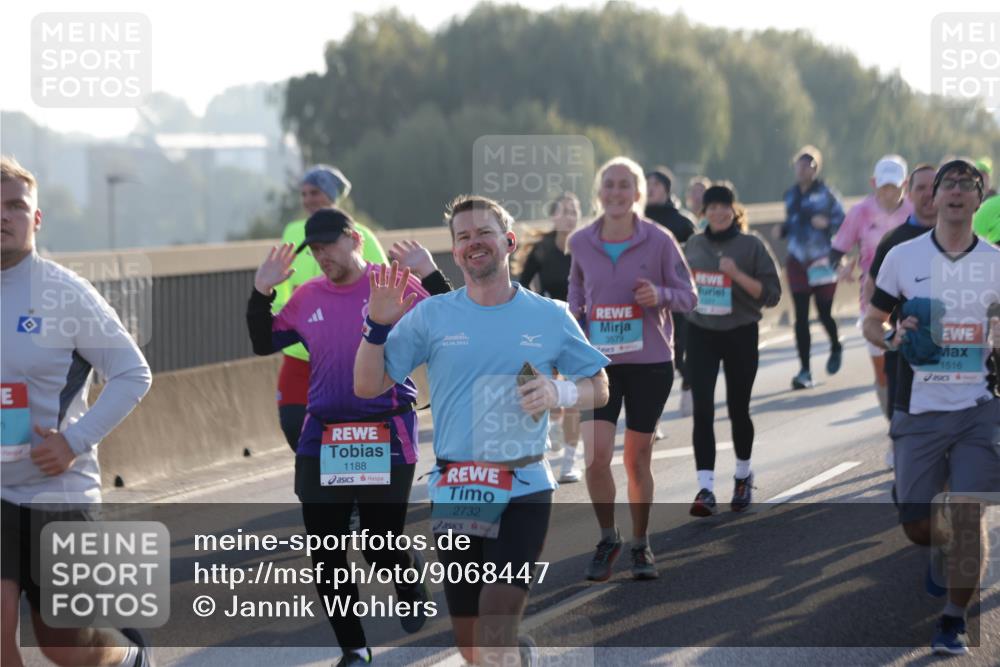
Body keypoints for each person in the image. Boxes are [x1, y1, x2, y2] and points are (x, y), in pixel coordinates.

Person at [354, 195, 610, 666]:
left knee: (494, 622)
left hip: (524, 483)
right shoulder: (432, 316)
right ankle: (519, 655)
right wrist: (375, 326)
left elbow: (600, 385)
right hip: (458, 487)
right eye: (464, 236)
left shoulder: (550, 315)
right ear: (455, 252)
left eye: (484, 233)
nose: (475, 243)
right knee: (473, 645)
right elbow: (368, 384)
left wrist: (561, 394)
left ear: (508, 242)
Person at [246, 208, 447, 666]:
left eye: (328, 245)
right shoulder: (307, 295)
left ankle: (405, 573)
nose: (321, 256)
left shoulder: (390, 283)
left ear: (353, 239)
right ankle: (354, 650)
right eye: (314, 249)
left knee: (378, 544)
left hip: (385, 432)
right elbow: (263, 341)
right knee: (327, 550)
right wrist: (262, 292)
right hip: (324, 437)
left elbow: (452, 321)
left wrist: (431, 275)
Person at [2, 156, 154, 667]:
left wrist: (73, 440)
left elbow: (134, 372)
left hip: (58, 494)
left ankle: (127, 659)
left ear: (36, 219)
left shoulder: (64, 293)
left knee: (64, 645)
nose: (3, 216)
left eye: (15, 206)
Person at [863, 159, 1000, 656]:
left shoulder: (996, 264)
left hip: (979, 407)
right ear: (934, 196)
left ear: (978, 200)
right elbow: (873, 320)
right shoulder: (903, 256)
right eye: (950, 184)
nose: (959, 191)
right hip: (918, 408)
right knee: (919, 526)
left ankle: (952, 619)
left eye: (969, 185)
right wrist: (892, 336)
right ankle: (941, 543)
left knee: (969, 515)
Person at [568, 157, 697, 581]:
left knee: (636, 459)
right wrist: (569, 341)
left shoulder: (659, 240)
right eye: (609, 185)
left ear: (638, 193)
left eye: (625, 185)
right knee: (595, 458)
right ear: (599, 192)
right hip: (597, 364)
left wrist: (658, 294)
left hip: (649, 363)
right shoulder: (582, 242)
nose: (616, 192)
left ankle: (641, 544)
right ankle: (609, 537)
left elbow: (689, 296)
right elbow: (575, 298)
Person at [272, 165, 389, 453]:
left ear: (331, 195)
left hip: (346, 349)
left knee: (349, 427)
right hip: (300, 350)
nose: (309, 200)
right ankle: (314, 479)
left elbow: (385, 286)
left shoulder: (360, 235)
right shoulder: (293, 231)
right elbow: (280, 280)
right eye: (304, 194)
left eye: (315, 192)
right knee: (292, 424)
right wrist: (288, 317)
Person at [682, 185, 781, 516]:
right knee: (703, 410)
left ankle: (742, 476)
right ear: (703, 212)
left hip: (740, 332)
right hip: (701, 333)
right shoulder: (693, 245)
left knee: (739, 408)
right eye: (712, 207)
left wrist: (736, 274)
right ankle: (705, 488)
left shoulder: (751, 245)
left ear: (733, 209)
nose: (718, 212)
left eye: (724, 206)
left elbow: (771, 295)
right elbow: (680, 286)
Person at [829, 155, 914, 416]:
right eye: (884, 186)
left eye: (895, 186)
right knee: (883, 370)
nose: (889, 193)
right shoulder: (860, 212)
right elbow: (836, 251)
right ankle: (892, 424)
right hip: (874, 298)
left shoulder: (915, 211)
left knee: (910, 364)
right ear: (873, 183)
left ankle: (905, 424)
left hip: (912, 297)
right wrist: (843, 266)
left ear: (905, 184)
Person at [868, 163, 938, 446]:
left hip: (963, 374)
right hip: (908, 367)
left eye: (935, 188)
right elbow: (874, 306)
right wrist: (891, 337)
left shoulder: (971, 245)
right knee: (913, 481)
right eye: (921, 188)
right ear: (908, 192)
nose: (929, 195)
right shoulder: (894, 245)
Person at [518, 192, 585, 482]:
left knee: (572, 393)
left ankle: (570, 460)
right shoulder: (543, 250)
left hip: (579, 328)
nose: (569, 215)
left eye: (574, 210)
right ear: (554, 216)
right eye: (564, 210)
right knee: (545, 389)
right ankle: (554, 424)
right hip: (546, 327)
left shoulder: (586, 246)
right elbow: (520, 286)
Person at [781, 145, 847, 389]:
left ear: (815, 168)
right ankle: (805, 370)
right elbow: (792, 222)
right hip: (797, 259)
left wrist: (828, 223)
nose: (802, 168)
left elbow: (844, 223)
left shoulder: (827, 194)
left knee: (823, 312)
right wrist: (783, 230)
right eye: (799, 163)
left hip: (822, 259)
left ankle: (836, 343)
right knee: (800, 316)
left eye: (808, 164)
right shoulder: (790, 195)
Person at [645, 167, 698, 417]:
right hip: (645, 297)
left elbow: (697, 256)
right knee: (651, 356)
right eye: (647, 184)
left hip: (675, 295)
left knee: (680, 347)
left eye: (655, 184)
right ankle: (653, 415)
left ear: (666, 189)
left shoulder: (682, 222)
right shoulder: (635, 221)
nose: (650, 188)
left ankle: (688, 384)